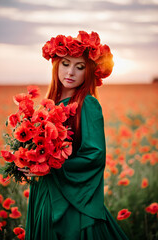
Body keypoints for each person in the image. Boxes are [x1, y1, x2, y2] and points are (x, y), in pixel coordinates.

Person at [23, 31, 129, 240]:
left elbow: (95, 155)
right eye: (65, 64)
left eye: (79, 67)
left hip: (69, 200)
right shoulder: (48, 104)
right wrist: (28, 160)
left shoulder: (87, 104)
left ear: (88, 72)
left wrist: (51, 168)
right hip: (44, 192)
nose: (70, 72)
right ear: (56, 66)